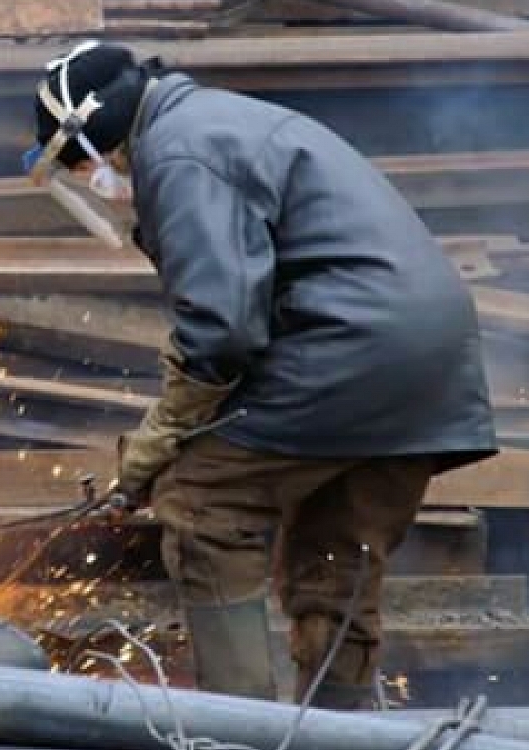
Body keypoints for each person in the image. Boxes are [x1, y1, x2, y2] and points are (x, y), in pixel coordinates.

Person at [28, 41, 496, 708]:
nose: (94, 182)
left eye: (81, 167)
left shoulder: (179, 153)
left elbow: (222, 331)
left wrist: (159, 441)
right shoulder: (219, 120)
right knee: (335, 550)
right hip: (428, 362)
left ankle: (238, 741)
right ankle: (339, 740)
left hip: (350, 347)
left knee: (202, 508)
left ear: (95, 136)